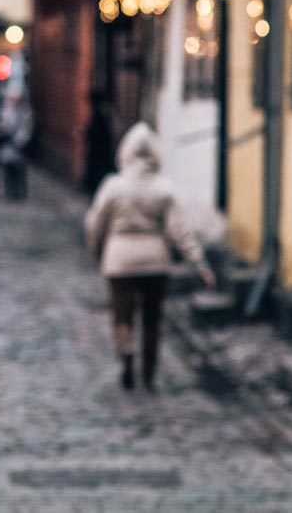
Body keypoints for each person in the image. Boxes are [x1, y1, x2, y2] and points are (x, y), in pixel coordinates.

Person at [84, 122, 215, 392]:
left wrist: (97, 251)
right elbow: (179, 230)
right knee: (152, 319)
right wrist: (199, 263)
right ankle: (149, 372)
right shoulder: (164, 188)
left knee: (122, 315)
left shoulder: (113, 186)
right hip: (155, 262)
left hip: (119, 260)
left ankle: (126, 356)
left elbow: (95, 223)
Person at [0, 92, 34, 200]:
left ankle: (19, 192)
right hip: (7, 146)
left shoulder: (24, 113)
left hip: (18, 147)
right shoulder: (3, 112)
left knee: (19, 171)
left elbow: (27, 129)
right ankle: (10, 192)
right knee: (8, 171)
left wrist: (21, 142)